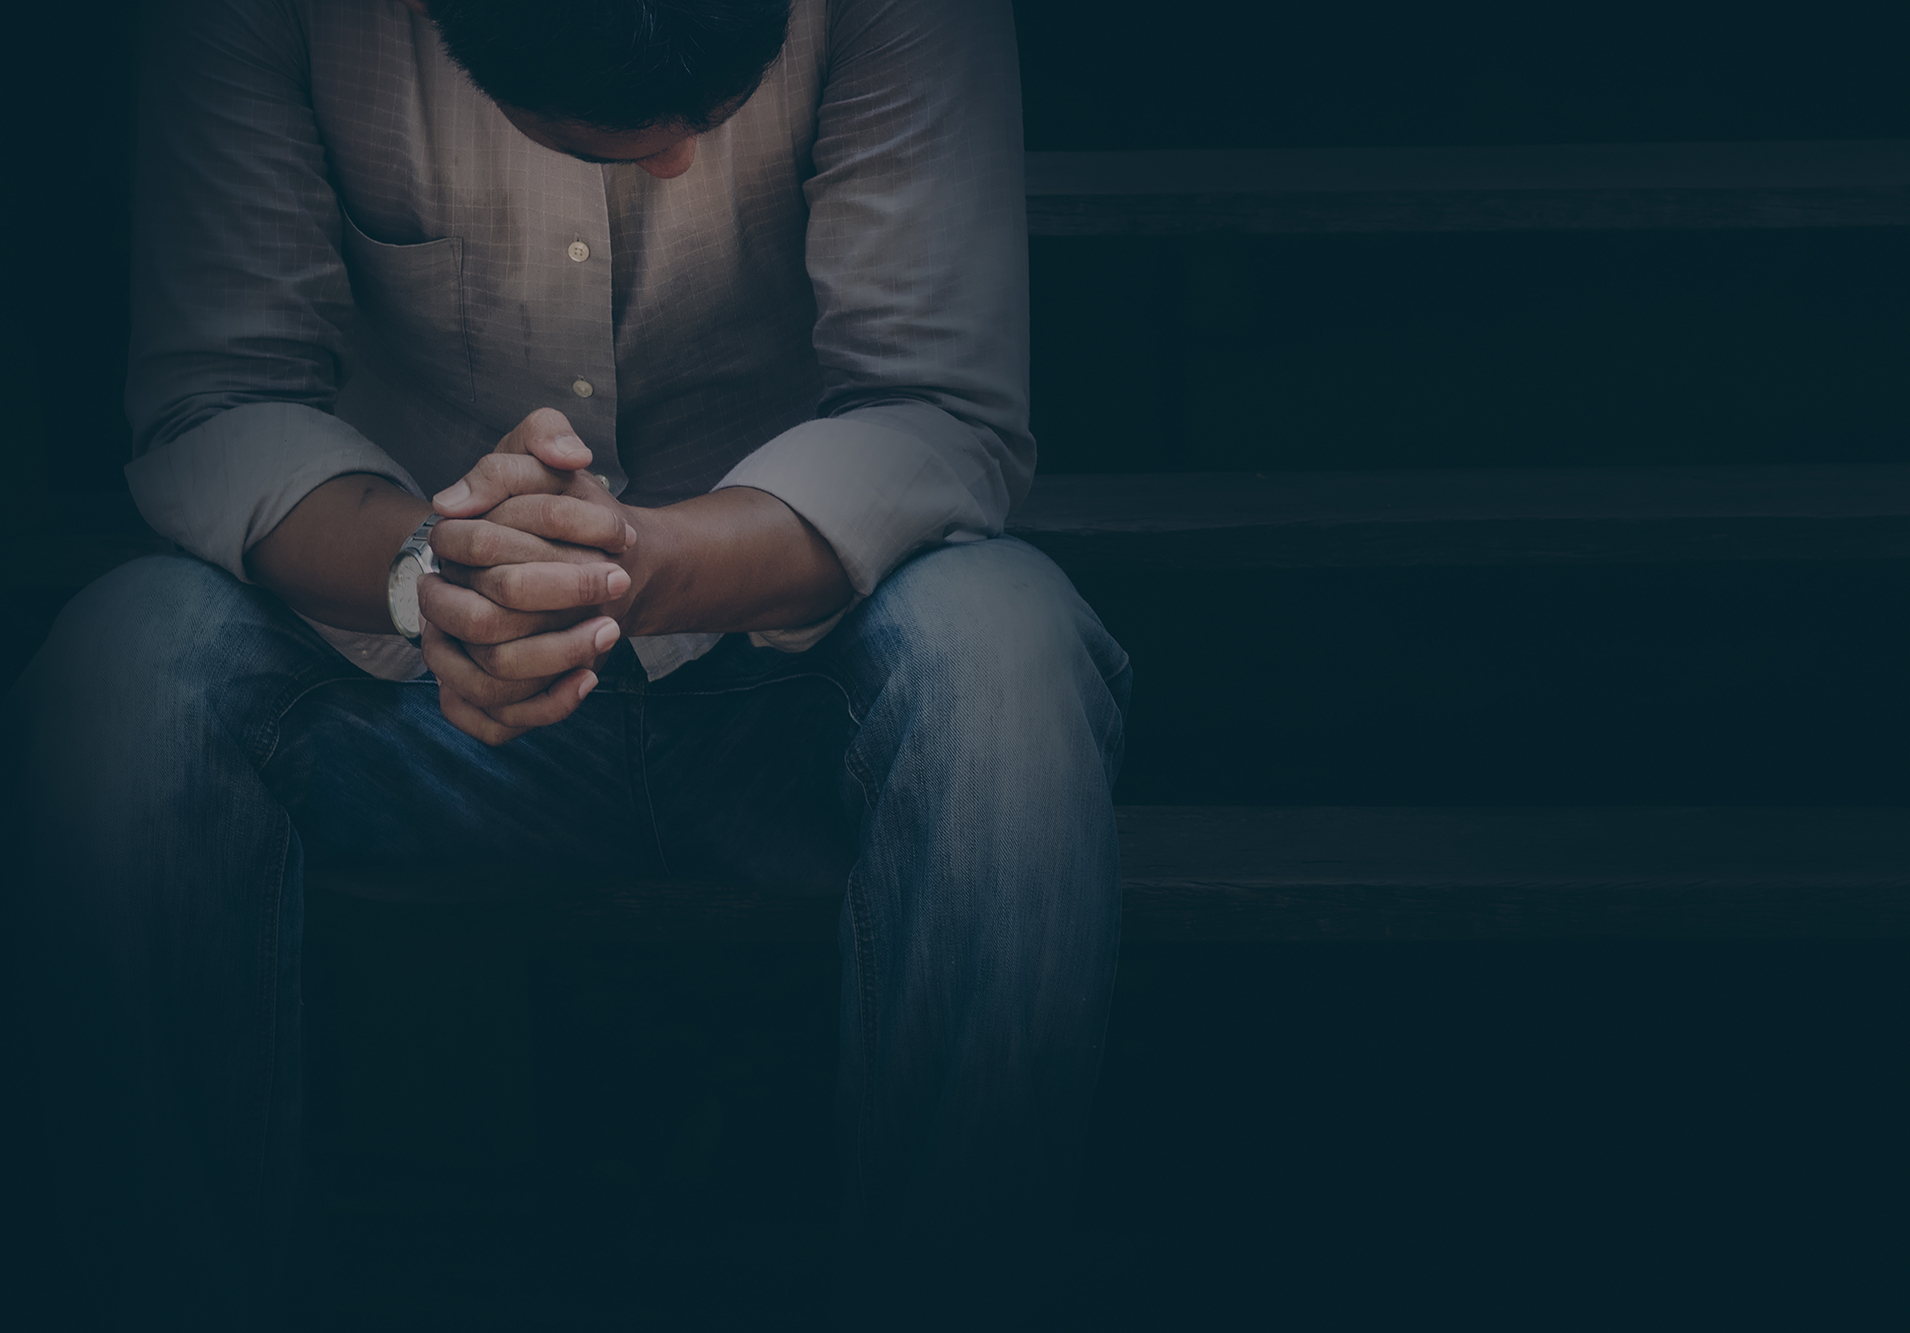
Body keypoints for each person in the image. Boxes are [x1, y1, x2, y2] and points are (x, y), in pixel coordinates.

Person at [5, 0, 1130, 1324]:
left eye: (708, 122)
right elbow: (215, 401)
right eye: (595, 133)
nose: (668, 168)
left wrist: (642, 563)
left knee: (1006, 642)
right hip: (416, 704)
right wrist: (437, 573)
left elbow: (940, 409)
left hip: (790, 674)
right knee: (120, 670)